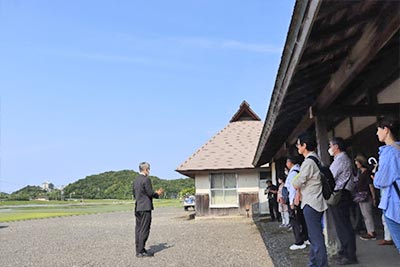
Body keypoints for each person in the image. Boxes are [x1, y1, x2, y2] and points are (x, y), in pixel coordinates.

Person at [292, 132, 328, 267]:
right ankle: (313, 263)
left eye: (298, 144)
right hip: (316, 201)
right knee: (315, 236)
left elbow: (296, 182)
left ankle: (322, 264)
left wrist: (295, 179)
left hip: (311, 203)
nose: (297, 147)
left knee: (316, 237)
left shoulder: (308, 162)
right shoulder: (316, 159)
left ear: (304, 145)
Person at [373, 116, 400, 253]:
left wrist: (375, 176)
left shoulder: (389, 153)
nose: (377, 133)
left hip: (394, 204)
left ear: (386, 130)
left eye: (378, 130)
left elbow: (380, 181)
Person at [328, 137, 357, 265]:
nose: (330, 148)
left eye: (330, 145)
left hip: (341, 195)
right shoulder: (340, 159)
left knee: (344, 225)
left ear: (336, 146)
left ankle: (349, 254)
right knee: (341, 225)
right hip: (342, 194)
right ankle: (344, 251)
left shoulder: (341, 159)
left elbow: (330, 176)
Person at [133, 162, 164, 257]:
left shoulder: (135, 180)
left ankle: (139, 249)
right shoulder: (146, 180)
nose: (149, 171)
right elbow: (150, 193)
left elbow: (134, 194)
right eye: (149, 169)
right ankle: (141, 251)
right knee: (145, 229)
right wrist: (157, 193)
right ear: (146, 169)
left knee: (138, 229)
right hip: (145, 208)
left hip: (138, 207)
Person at [285, 156, 309, 251]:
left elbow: (292, 189)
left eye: (287, 162)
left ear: (290, 162)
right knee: (302, 219)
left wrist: (291, 202)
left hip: (295, 200)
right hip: (301, 199)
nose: (286, 164)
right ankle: (306, 237)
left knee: (295, 221)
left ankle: (299, 241)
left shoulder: (293, 173)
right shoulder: (299, 170)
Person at [354, 154, 376, 240]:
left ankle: (371, 232)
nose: (356, 163)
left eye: (357, 162)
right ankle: (369, 231)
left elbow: (371, 185)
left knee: (367, 214)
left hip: (366, 196)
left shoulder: (366, 173)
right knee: (365, 214)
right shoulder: (361, 172)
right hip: (361, 195)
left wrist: (374, 197)